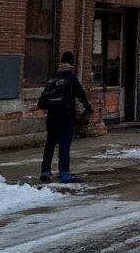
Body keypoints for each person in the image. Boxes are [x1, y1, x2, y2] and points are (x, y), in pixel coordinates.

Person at [38, 51, 92, 183]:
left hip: (52, 117)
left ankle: (45, 171)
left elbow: (42, 102)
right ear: (72, 64)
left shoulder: (53, 79)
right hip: (66, 117)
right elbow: (82, 99)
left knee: (50, 144)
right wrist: (87, 112)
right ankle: (64, 173)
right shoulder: (72, 79)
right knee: (64, 145)